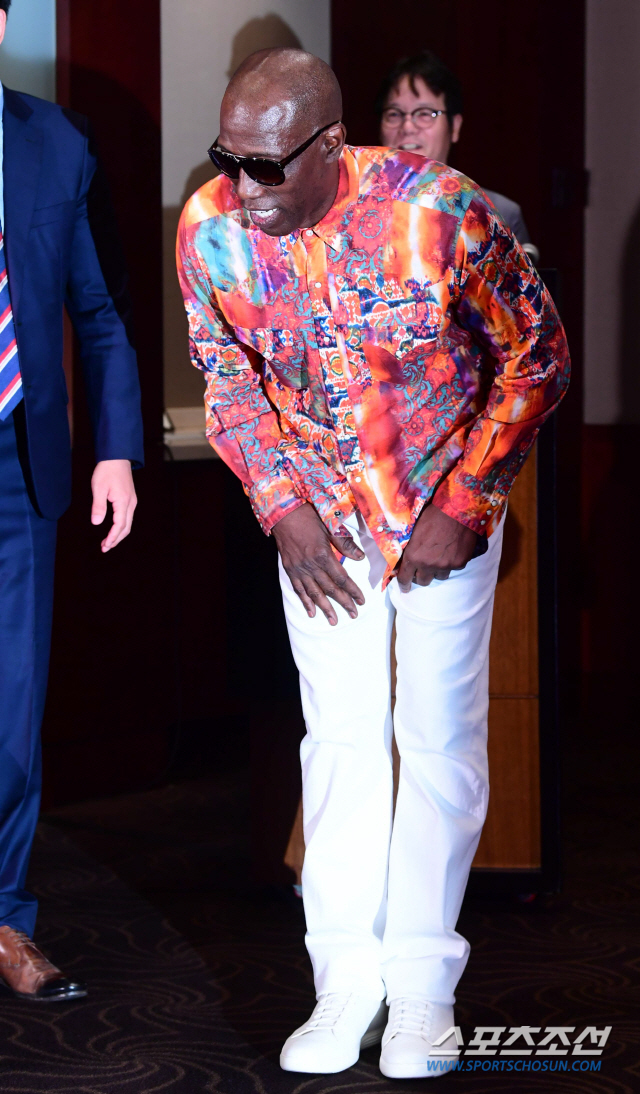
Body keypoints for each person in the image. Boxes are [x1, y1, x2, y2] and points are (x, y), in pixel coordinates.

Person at [177, 48, 569, 1079]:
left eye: (267, 165)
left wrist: (468, 499)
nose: (242, 187)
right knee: (342, 747)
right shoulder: (210, 227)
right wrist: (282, 508)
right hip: (320, 534)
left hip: (436, 517)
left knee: (437, 742)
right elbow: (226, 381)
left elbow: (537, 355)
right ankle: (344, 983)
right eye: (228, 158)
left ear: (328, 145)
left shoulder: (438, 211)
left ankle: (423, 990)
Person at [0, 0, 142, 1001]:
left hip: (22, 464)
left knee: (12, 712)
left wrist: (116, 451)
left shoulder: (57, 143)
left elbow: (97, 311)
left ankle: (6, 918)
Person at [378, 50, 539, 261]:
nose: (407, 127)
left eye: (425, 113)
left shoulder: (498, 212)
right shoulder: (355, 210)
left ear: (454, 126)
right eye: (394, 114)